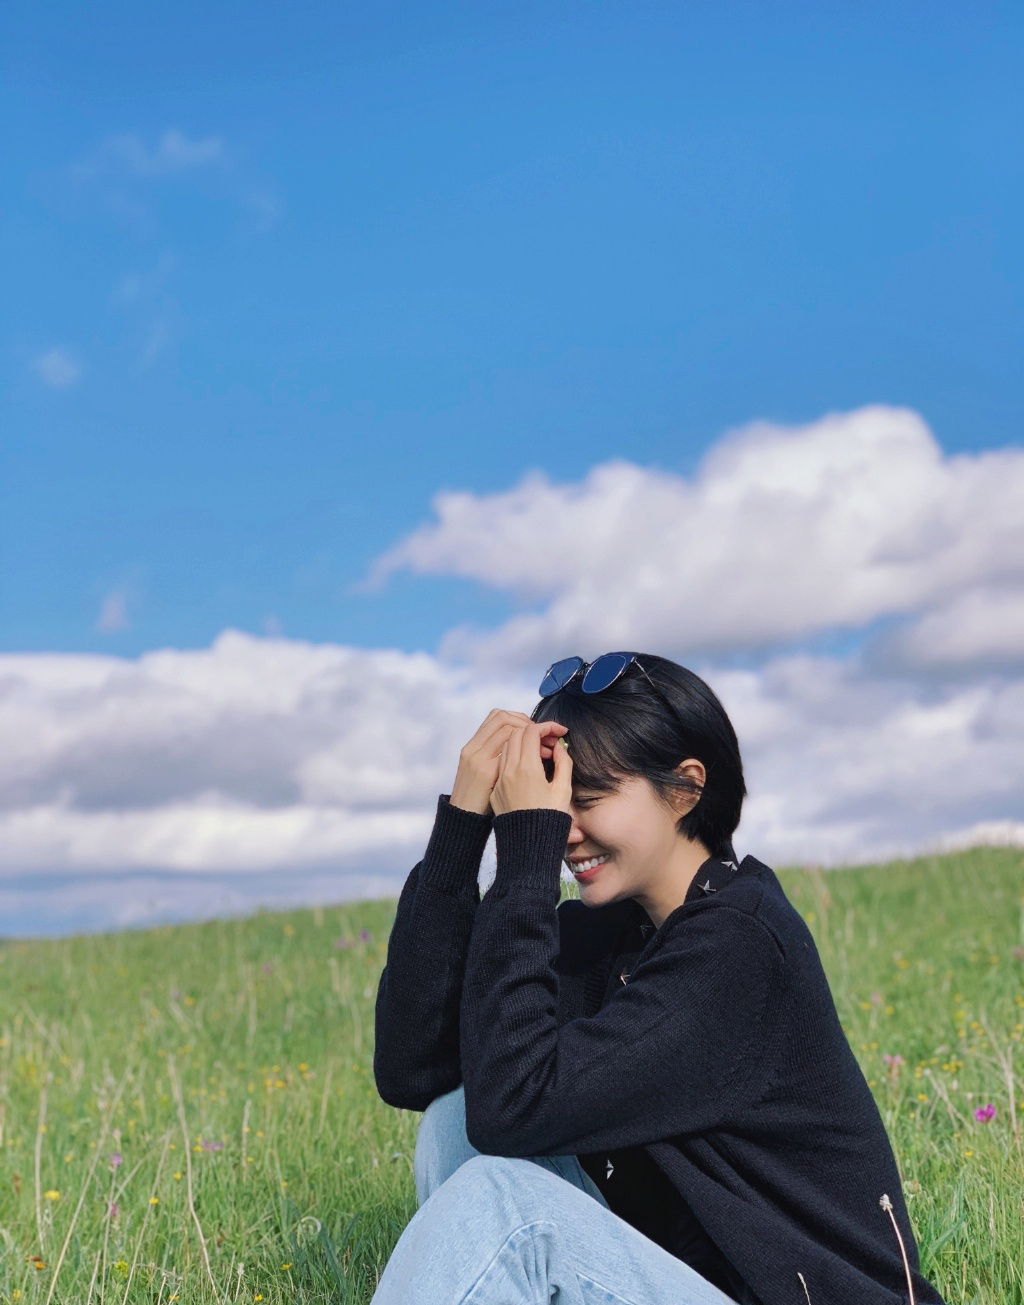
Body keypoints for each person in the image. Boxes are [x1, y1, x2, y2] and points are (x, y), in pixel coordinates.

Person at [371, 652, 945, 1305]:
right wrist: (464, 826)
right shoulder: (610, 938)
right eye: (557, 805)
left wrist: (525, 850)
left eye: (583, 801)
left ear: (685, 787)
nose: (565, 833)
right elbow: (415, 1070)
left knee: (509, 1207)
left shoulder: (739, 948)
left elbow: (514, 1107)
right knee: (452, 1120)